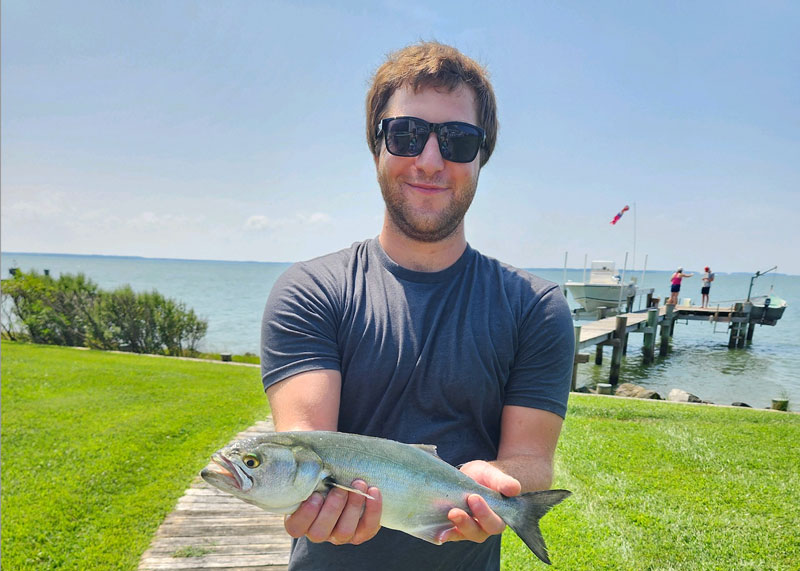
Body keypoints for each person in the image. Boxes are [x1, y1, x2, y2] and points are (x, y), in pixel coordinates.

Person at [260, 41, 574, 571]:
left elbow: (533, 459)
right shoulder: (309, 291)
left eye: (458, 140)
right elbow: (309, 447)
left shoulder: (536, 308)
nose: (430, 160)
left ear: (482, 156)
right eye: (406, 134)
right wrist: (305, 503)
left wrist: (500, 479)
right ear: (376, 146)